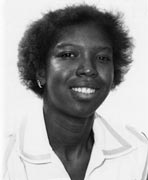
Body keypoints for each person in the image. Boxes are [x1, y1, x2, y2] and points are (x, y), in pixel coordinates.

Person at [3, 4, 148, 180]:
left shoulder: (138, 152)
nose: (88, 69)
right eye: (68, 55)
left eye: (102, 58)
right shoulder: (6, 157)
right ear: (41, 71)